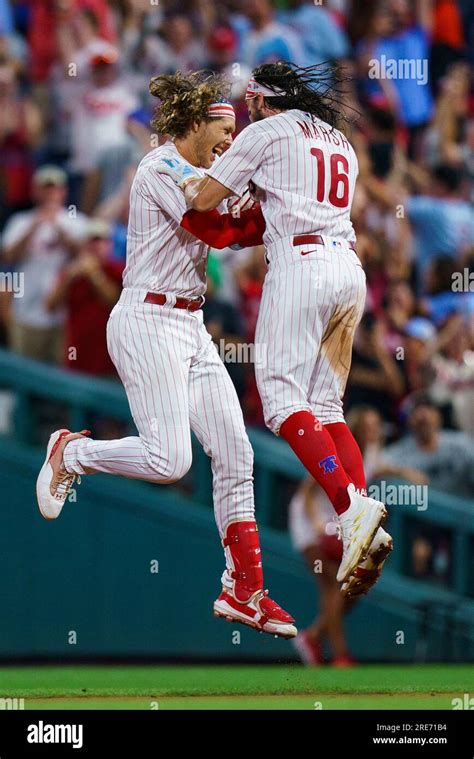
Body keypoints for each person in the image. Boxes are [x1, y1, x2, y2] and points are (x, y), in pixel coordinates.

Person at [36, 71, 296, 640]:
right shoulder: (161, 166)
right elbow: (219, 229)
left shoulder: (206, 174)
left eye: (236, 128)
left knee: (236, 454)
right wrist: (268, 210)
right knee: (169, 461)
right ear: (192, 124)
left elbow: (239, 228)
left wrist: (283, 211)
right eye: (223, 128)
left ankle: (245, 589)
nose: (234, 138)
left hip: (191, 324)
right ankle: (72, 453)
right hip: (147, 318)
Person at [158, 61, 390, 588]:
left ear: (263, 100)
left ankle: (350, 510)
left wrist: (176, 172)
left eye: (251, 102)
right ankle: (361, 522)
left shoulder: (265, 131)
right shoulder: (339, 142)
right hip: (348, 271)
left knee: (283, 403)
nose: (247, 110)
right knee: (326, 407)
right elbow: (274, 208)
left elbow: (202, 201)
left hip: (301, 267)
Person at [1, 165, 87, 363]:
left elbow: (83, 256)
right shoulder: (21, 221)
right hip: (25, 312)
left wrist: (60, 231)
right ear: (36, 191)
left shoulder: (76, 221)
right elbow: (8, 257)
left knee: (58, 374)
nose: (50, 193)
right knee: (24, 372)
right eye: (45, 188)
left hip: (63, 316)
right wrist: (34, 227)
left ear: (63, 191)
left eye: (55, 188)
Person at [46, 218, 124, 378]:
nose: (96, 246)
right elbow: (49, 306)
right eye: (92, 241)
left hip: (109, 361)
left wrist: (94, 275)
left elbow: (115, 303)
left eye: (101, 241)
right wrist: (68, 279)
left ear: (109, 245)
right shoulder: (71, 272)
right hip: (76, 356)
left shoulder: (119, 270)